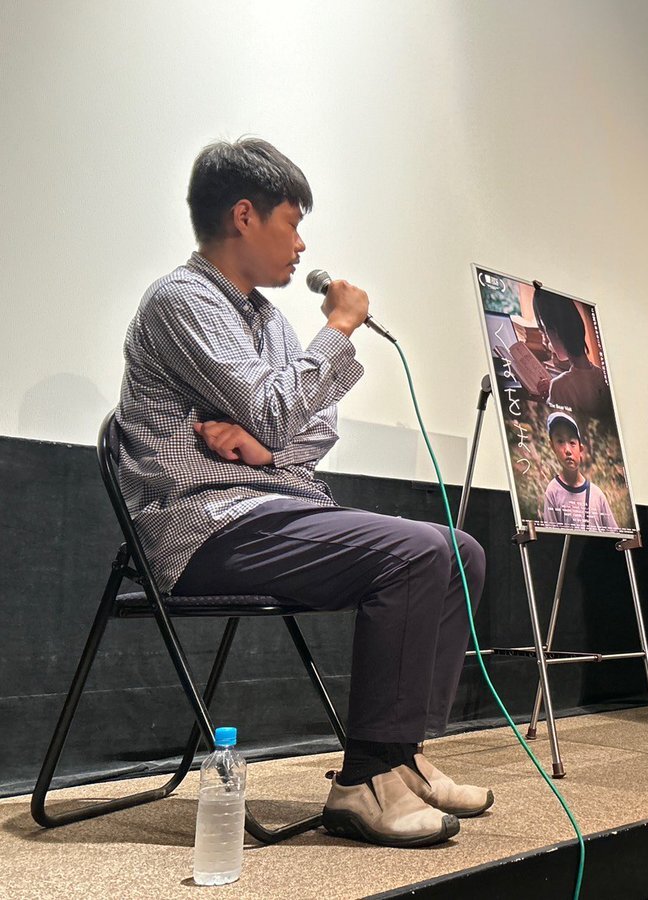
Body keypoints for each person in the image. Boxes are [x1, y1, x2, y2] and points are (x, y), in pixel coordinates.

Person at [116, 137, 492, 848]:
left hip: (269, 510)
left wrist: (263, 444)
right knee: (416, 553)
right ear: (244, 216)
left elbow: (315, 428)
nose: (301, 244)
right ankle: (364, 782)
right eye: (292, 222)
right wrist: (338, 329)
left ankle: (400, 758)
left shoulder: (266, 320)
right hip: (203, 525)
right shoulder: (182, 300)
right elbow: (275, 408)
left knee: (461, 551)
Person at [531, 282, 609, 415]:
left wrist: (549, 396)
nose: (546, 340)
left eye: (545, 331)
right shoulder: (601, 375)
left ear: (555, 332)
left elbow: (551, 416)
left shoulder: (559, 387)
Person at [541, 411, 619, 531]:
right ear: (552, 447)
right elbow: (551, 538)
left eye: (572, 442)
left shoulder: (597, 495)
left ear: (580, 448)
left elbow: (615, 535)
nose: (567, 450)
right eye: (560, 441)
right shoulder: (552, 492)